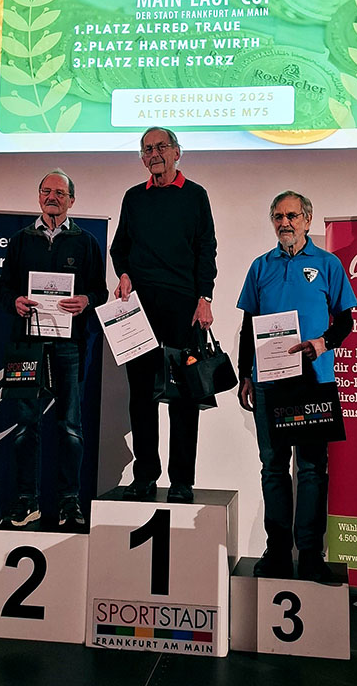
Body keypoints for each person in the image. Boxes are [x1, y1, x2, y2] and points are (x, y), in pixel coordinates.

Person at [237, 191, 357, 581]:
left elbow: (346, 321)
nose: (284, 222)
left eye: (291, 215)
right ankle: (276, 552)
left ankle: (309, 555)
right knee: (273, 468)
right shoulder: (260, 266)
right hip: (269, 382)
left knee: (312, 469)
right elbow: (248, 326)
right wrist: (244, 374)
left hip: (313, 381)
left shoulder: (328, 264)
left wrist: (323, 343)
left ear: (307, 219)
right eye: (277, 216)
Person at [110, 127, 217, 504]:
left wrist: (205, 297)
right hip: (140, 311)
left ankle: (182, 480)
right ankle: (145, 476)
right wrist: (124, 274)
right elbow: (119, 248)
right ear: (142, 158)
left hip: (183, 309)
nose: (153, 154)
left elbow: (206, 249)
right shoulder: (134, 197)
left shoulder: (195, 195)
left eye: (160, 147)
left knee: (184, 396)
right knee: (141, 396)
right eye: (146, 149)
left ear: (176, 152)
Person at [0, 169, 108, 529]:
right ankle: (26, 501)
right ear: (38, 197)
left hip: (69, 346)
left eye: (60, 193)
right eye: (46, 191)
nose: (52, 197)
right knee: (25, 427)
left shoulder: (86, 242)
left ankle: (68, 502)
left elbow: (100, 291)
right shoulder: (21, 240)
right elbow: (3, 290)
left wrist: (86, 300)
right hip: (26, 347)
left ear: (71, 201)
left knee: (70, 427)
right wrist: (14, 301)